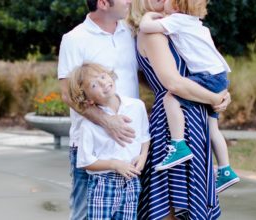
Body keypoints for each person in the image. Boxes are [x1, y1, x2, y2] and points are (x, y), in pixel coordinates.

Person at [127, 0, 231, 219]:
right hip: (174, 124)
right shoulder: (153, 34)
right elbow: (172, 82)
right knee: (173, 201)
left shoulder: (173, 28)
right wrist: (214, 97)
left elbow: (203, 69)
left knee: (186, 200)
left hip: (191, 116)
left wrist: (222, 92)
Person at [57, 0, 138, 219]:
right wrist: (108, 122)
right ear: (103, 3)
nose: (130, 1)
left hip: (129, 144)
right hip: (93, 147)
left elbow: (143, 76)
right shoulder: (74, 39)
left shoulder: (130, 32)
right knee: (85, 214)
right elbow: (68, 93)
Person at [67, 63, 150, 219]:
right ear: (88, 99)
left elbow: (144, 136)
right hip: (103, 185)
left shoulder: (137, 106)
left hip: (130, 182)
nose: (103, 83)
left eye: (103, 76)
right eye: (94, 85)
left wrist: (143, 156)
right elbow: (85, 162)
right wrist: (114, 164)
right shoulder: (89, 125)